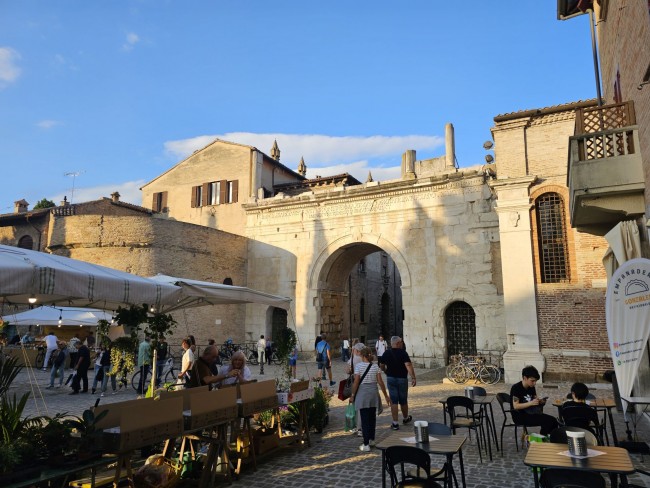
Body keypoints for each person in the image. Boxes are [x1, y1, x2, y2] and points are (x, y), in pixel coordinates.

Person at [350, 346, 391, 452]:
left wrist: (353, 395)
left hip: (363, 394)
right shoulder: (375, 367)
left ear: (362, 355)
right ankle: (372, 439)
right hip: (373, 393)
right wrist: (386, 396)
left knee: (364, 419)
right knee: (372, 418)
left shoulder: (359, 366)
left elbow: (356, 382)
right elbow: (380, 382)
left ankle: (366, 443)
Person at [379, 336, 416, 430]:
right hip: (402, 378)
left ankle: (395, 423)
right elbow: (408, 365)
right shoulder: (403, 353)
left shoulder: (386, 353)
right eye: (401, 342)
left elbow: (381, 365)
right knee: (403, 400)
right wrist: (413, 377)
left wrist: (385, 371)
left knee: (394, 400)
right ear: (398, 343)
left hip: (391, 378)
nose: (402, 344)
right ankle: (405, 418)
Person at [510, 365, 558, 436]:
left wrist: (540, 402)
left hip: (531, 413)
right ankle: (542, 439)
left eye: (535, 381)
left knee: (554, 421)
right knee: (548, 421)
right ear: (525, 378)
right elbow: (516, 406)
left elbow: (535, 400)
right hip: (520, 416)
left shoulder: (531, 387)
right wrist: (531, 403)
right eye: (532, 381)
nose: (534, 383)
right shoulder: (516, 388)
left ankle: (548, 439)